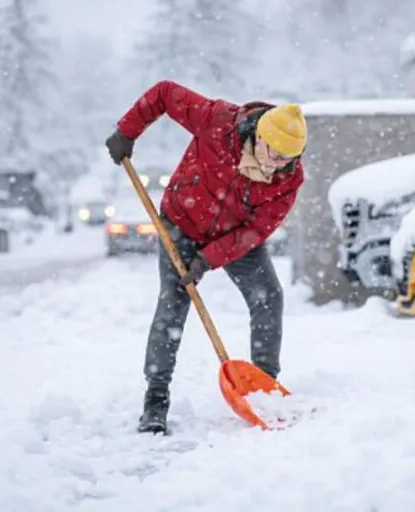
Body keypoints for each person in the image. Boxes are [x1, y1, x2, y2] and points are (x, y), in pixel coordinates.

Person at [105, 80, 307, 435]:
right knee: (173, 306)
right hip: (181, 223)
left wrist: (208, 258)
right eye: (274, 153)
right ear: (259, 135)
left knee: (268, 297)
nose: (278, 164)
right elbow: (165, 93)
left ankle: (264, 388)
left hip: (235, 236)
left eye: (287, 158)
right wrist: (127, 131)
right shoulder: (218, 121)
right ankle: (155, 400)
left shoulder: (288, 178)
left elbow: (257, 228)